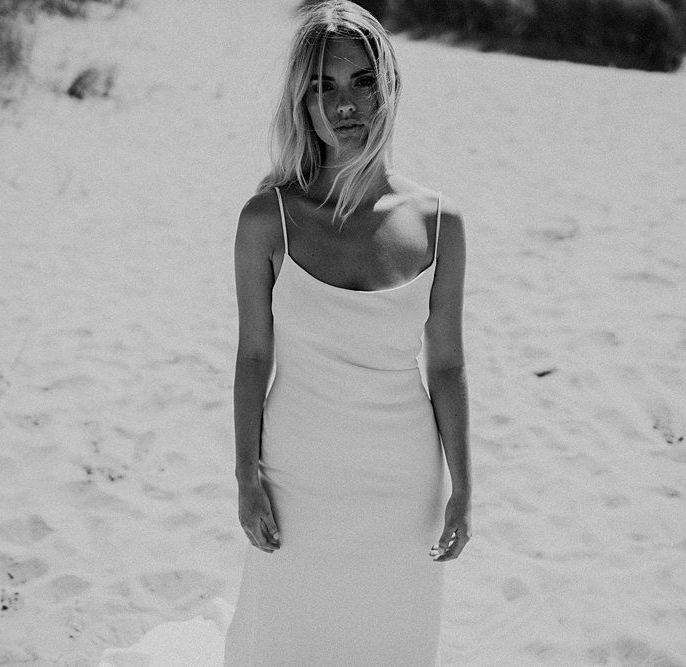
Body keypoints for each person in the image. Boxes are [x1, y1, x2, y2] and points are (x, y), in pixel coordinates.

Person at [223, 1, 470, 664]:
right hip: (296, 473)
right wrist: (245, 475)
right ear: (300, 102)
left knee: (389, 637)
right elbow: (252, 355)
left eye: (361, 81)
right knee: (285, 633)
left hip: (402, 479)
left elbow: (445, 364)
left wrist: (463, 486)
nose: (344, 104)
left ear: (387, 86)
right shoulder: (266, 218)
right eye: (321, 87)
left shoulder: (438, 222)